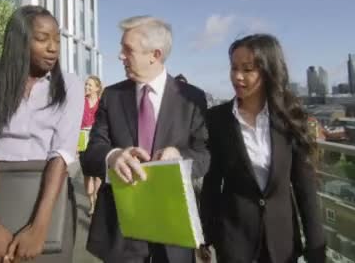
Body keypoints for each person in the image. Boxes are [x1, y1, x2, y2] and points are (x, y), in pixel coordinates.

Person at [81, 15, 210, 263]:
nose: (120, 56)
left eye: (127, 49)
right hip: (122, 233)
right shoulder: (112, 96)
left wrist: (180, 158)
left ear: (155, 54)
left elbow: (204, 154)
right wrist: (112, 157)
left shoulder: (192, 98)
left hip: (173, 231)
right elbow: (91, 154)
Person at [0, 5, 83, 262]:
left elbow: (62, 153)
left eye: (56, 39)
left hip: (51, 195)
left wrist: (40, 227)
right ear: (18, 41)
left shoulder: (71, 86)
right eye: (42, 39)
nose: (53, 47)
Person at [199, 34, 326, 263]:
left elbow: (305, 188)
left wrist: (316, 247)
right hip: (234, 243)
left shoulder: (291, 118)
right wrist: (206, 235)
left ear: (268, 71)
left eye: (247, 69)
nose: (237, 76)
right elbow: (211, 183)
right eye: (234, 68)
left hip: (282, 244)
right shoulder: (217, 119)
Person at [81, 75, 103, 216]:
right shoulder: (80, 102)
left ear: (97, 88)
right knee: (87, 174)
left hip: (97, 140)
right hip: (82, 141)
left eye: (90, 85)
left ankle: (97, 199)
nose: (87, 87)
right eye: (86, 84)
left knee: (97, 176)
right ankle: (92, 203)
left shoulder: (102, 103)